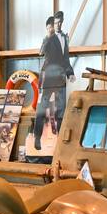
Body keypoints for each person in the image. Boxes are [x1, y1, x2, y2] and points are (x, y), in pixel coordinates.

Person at [32, 13, 73, 151]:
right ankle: (37, 137)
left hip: (61, 79)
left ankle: (61, 143)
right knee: (42, 109)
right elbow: (41, 52)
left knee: (61, 111)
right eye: (56, 23)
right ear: (52, 24)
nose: (59, 25)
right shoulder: (49, 38)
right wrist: (48, 37)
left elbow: (66, 59)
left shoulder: (65, 38)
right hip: (49, 79)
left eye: (61, 22)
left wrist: (70, 73)